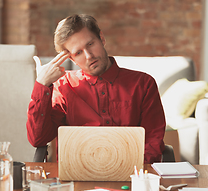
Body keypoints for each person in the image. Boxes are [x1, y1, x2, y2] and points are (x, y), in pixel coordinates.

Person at [26, 14, 166, 164]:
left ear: (102, 38)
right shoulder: (64, 87)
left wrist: (132, 173)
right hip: (77, 177)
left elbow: (152, 141)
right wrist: (42, 84)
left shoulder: (143, 84)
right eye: (78, 52)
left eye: (90, 44)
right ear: (71, 59)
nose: (88, 56)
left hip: (131, 174)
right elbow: (38, 139)